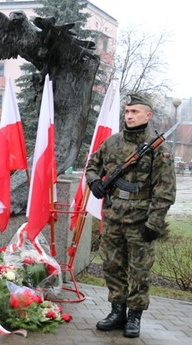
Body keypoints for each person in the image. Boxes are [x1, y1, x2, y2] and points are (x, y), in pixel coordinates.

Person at [85, 93, 176, 338]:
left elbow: (165, 190)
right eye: (127, 111)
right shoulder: (111, 143)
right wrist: (94, 183)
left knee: (139, 270)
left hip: (141, 220)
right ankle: (117, 312)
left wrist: (154, 222)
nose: (129, 116)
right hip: (113, 217)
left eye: (135, 112)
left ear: (148, 115)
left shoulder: (159, 149)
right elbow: (92, 166)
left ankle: (134, 316)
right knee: (112, 265)